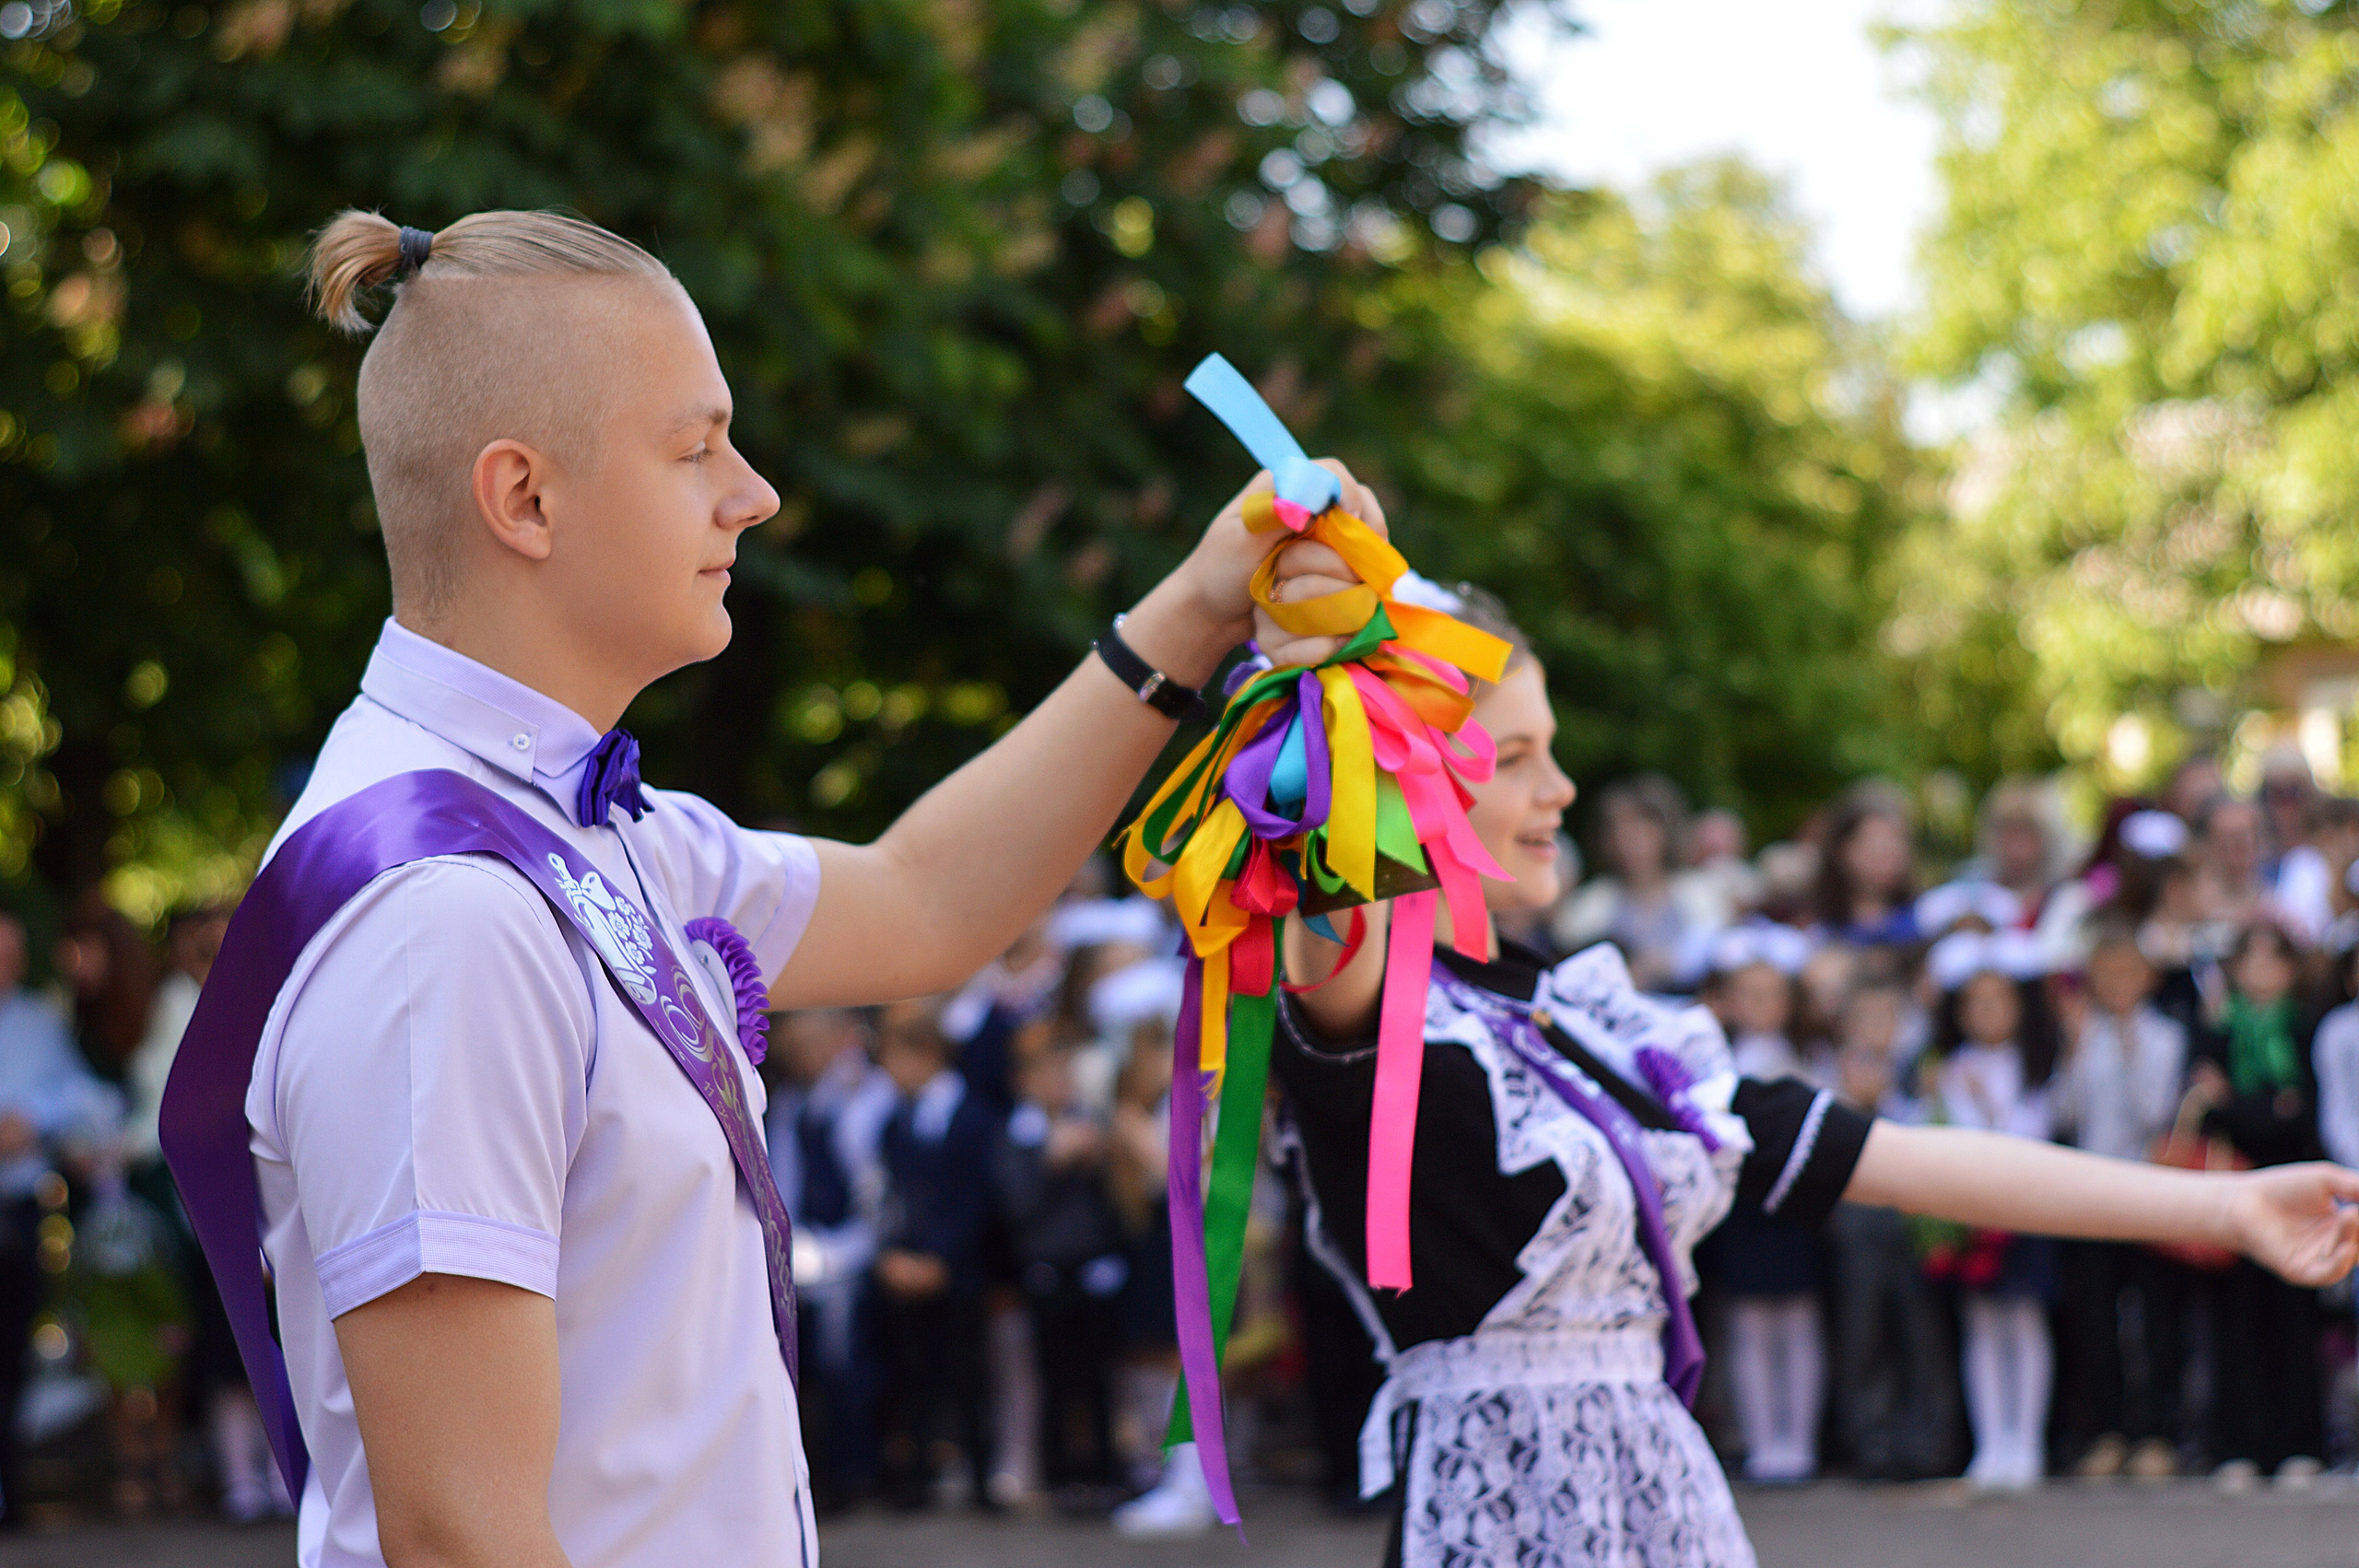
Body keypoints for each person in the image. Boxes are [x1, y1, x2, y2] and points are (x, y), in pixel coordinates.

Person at [162, 207, 1373, 1568]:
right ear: (525, 498)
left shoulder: (579, 823)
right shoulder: (442, 915)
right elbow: (460, 1534)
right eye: (695, 448)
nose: (755, 494)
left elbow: (927, 901)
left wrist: (1202, 604)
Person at [1252, 575, 2359, 1567]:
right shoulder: (1380, 1022)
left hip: (1664, 1518)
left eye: (1550, 747)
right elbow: (1333, 899)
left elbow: (1904, 1158)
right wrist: (1338, 684)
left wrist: (2225, 1206)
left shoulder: (1595, 1024)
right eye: (1514, 756)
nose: (1561, 787)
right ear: (1404, 776)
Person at [1919, 930, 2060, 1490]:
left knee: (2024, 1322)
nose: (1987, 1013)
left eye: (1998, 1001)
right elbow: (1945, 1135)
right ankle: (1991, 1443)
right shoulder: (1951, 1068)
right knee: (1980, 1326)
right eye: (1975, 1003)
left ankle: (2026, 1442)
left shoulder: (2034, 1067)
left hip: (2024, 1210)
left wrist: (1988, 1108)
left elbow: (2033, 1132)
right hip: (1971, 1212)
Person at [2049, 922, 2188, 1480]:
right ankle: (2106, 1430)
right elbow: (2064, 1113)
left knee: (2155, 1316)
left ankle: (2157, 1432)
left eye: (2126, 974)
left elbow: (2155, 1112)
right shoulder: (2086, 1034)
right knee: (2095, 1316)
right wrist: (2076, 1049)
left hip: (2147, 1190)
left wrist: (2129, 1050)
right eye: (2104, 975)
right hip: (2092, 1193)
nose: (2116, 986)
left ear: (2147, 977)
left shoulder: (2164, 1037)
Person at [2190, 919, 2326, 1485]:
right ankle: (2240, 1445)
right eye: (2251, 960)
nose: (2262, 972)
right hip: (2233, 1195)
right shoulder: (2216, 1031)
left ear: (2291, 970)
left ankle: (2300, 1444)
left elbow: (2303, 1119)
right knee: (2235, 1321)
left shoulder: (2306, 1029)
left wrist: (2239, 1108)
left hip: (2297, 1197)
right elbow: (2209, 1112)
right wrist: (2266, 1111)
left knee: (2294, 1318)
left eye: (2273, 960)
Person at [0, 910, 123, 1520]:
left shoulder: (38, 1022)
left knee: (11, 1350)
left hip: (19, 1210)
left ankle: (10, 1486)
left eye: (12, 954)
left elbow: (82, 1096)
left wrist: (33, 1119)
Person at [1695, 925, 1825, 1484]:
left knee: (1797, 1321)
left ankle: (1799, 1443)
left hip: (1793, 1202)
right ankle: (1763, 1442)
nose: (1760, 1006)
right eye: (1748, 994)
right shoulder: (1713, 1061)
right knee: (1749, 1325)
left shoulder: (1810, 1058)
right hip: (1743, 1204)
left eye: (1771, 994)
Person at [1824, 980, 1958, 1481]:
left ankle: (1930, 1441)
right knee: (1864, 1333)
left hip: (1914, 1220)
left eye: (1888, 1016)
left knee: (1922, 1333)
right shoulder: (1834, 1074)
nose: (1879, 1028)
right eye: (1868, 1017)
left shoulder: (1920, 1072)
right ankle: (1871, 1440)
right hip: (1859, 1220)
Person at [764, 1007, 896, 1511]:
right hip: (805, 1252)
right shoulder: (792, 1103)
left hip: (855, 1250)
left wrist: (845, 1251)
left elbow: (873, 1189)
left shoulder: (868, 1097)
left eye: (809, 1046)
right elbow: (786, 1179)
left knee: (850, 1363)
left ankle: (856, 1470)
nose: (800, 1058)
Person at [872, 998, 1001, 1510]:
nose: (888, 1070)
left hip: (959, 1272)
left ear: (927, 1053)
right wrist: (892, 1255)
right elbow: (889, 1197)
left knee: (970, 1374)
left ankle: (983, 1475)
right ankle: (921, 1473)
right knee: (915, 1375)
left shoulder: (975, 1116)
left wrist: (941, 1260)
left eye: (894, 1056)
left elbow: (977, 1198)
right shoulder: (893, 1123)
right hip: (907, 1268)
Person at [995, 1040, 1127, 1508]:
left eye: (1063, 1074)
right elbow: (1015, 1207)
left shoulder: (1091, 1125)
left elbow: (1118, 1205)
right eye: (1048, 1075)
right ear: (1025, 1082)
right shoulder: (1016, 1135)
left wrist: (1100, 1159)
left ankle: (1106, 1471)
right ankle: (1060, 1475)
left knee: (1100, 1378)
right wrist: (1050, 1162)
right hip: (1045, 1273)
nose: (1059, 1084)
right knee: (1053, 1378)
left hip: (1093, 1270)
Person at [1553, 775, 1724, 991]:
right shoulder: (1589, 904)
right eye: (1618, 831)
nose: (1629, 842)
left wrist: (1661, 966)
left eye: (1641, 829)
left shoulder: (1701, 893)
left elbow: (1719, 957)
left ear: (1665, 831)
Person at [1812, 784, 1920, 950]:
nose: (1891, 860)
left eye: (1897, 846)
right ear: (1841, 851)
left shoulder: (1925, 918)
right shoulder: (1816, 928)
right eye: (1876, 848)